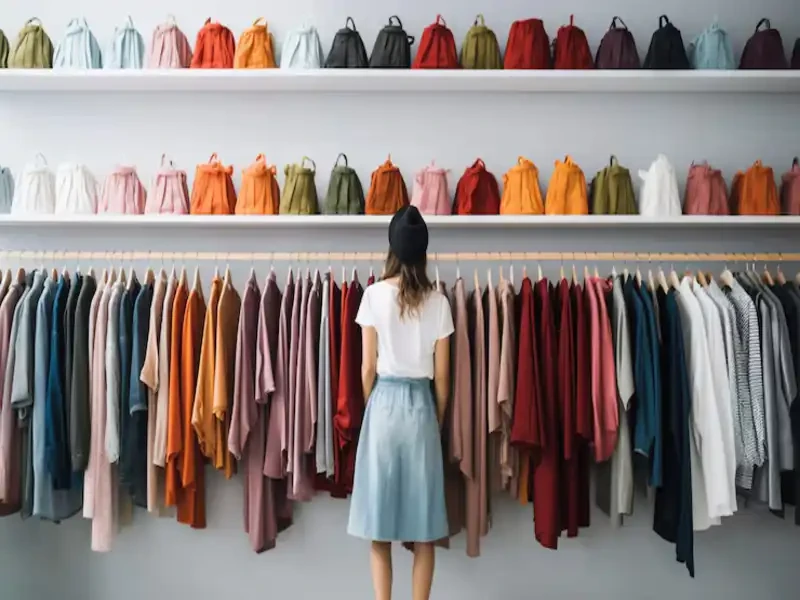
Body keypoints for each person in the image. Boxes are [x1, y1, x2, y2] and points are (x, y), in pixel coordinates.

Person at [347, 206, 453, 600]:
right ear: (423, 252)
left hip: (384, 406)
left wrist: (369, 409)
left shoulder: (373, 296)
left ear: (390, 248)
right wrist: (435, 418)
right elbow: (442, 378)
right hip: (421, 409)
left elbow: (366, 368)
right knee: (424, 528)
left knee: (380, 526)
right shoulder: (438, 302)